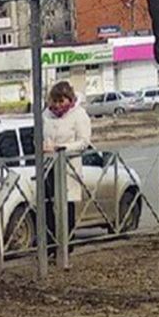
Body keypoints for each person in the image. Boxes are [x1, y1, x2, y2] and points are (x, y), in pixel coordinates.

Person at [42, 81, 92, 249]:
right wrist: (44, 146)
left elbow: (84, 142)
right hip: (49, 165)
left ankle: (66, 244)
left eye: (61, 101)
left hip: (69, 166)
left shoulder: (79, 115)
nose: (57, 106)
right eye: (54, 101)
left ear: (69, 100)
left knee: (66, 205)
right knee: (48, 204)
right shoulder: (46, 115)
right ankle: (50, 244)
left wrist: (63, 148)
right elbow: (41, 134)